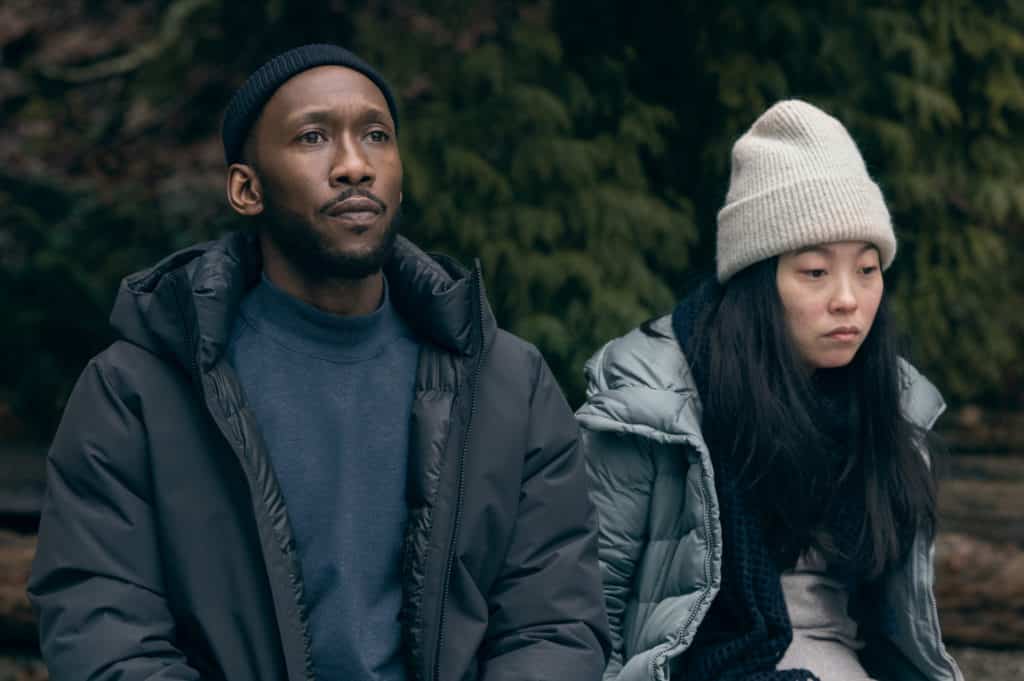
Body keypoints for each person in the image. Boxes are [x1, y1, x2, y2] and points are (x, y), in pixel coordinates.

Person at [28, 44, 609, 681]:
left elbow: (554, 623)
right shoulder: (138, 390)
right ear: (247, 189)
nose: (354, 166)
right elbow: (104, 630)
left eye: (376, 136)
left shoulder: (507, 384)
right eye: (313, 137)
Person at [577, 100, 963, 681]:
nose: (848, 299)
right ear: (759, 281)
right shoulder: (654, 407)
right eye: (815, 272)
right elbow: (586, 610)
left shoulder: (890, 406)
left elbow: (899, 636)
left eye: (867, 270)